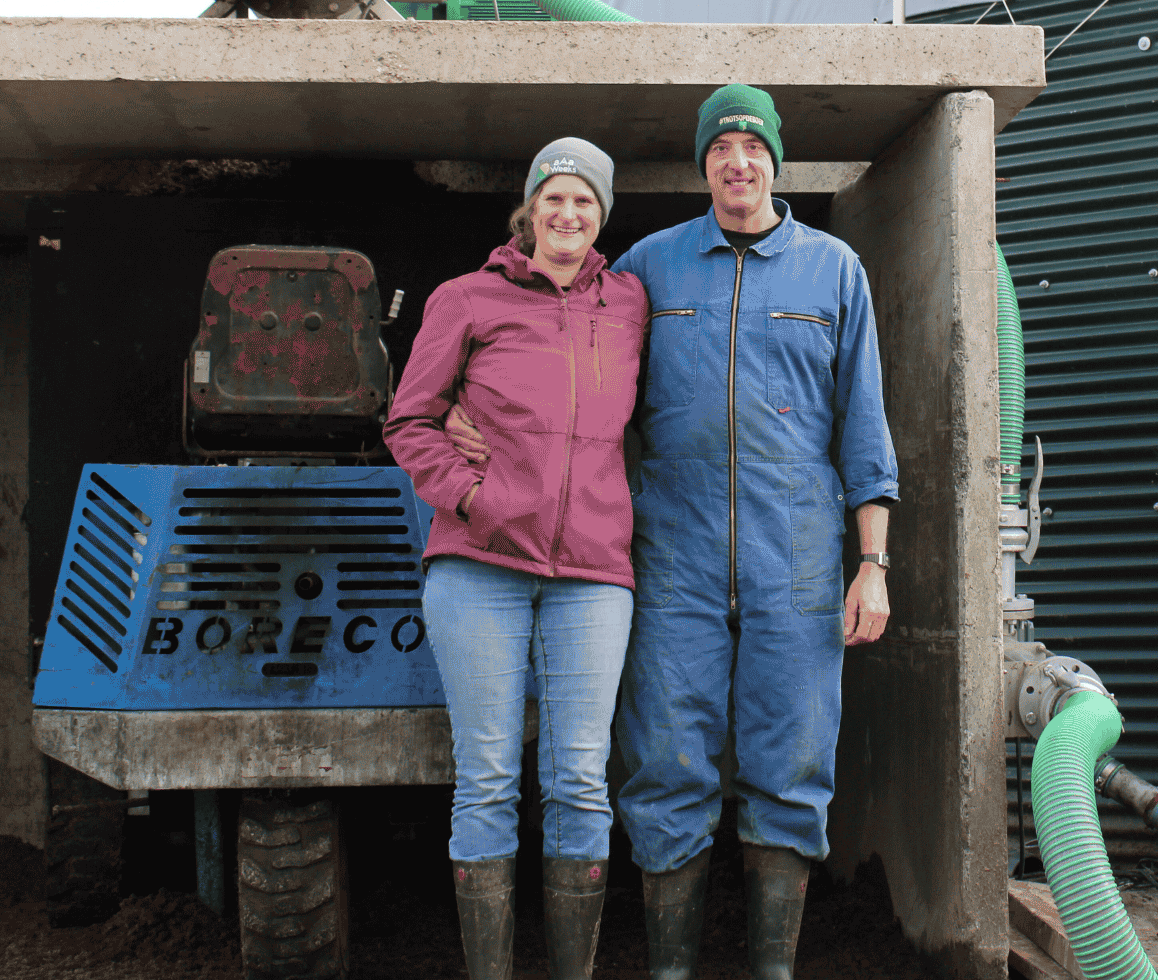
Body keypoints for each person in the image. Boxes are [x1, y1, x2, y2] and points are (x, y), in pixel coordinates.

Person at [448, 85, 898, 980]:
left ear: (777, 160)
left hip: (799, 559)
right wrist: (475, 411)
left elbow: (865, 429)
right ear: (703, 164)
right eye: (722, 146)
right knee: (662, 762)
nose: (739, 161)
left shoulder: (835, 268)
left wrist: (873, 560)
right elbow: (562, 347)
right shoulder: (648, 269)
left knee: (793, 758)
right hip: (669, 554)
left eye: (754, 146)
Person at [384, 137, 647, 980]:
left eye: (585, 201)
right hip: (480, 566)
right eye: (554, 198)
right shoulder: (466, 298)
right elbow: (410, 421)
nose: (568, 214)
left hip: (593, 573)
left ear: (602, 217)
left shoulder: (632, 302)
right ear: (529, 209)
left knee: (579, 777)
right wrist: (470, 497)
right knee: (489, 774)